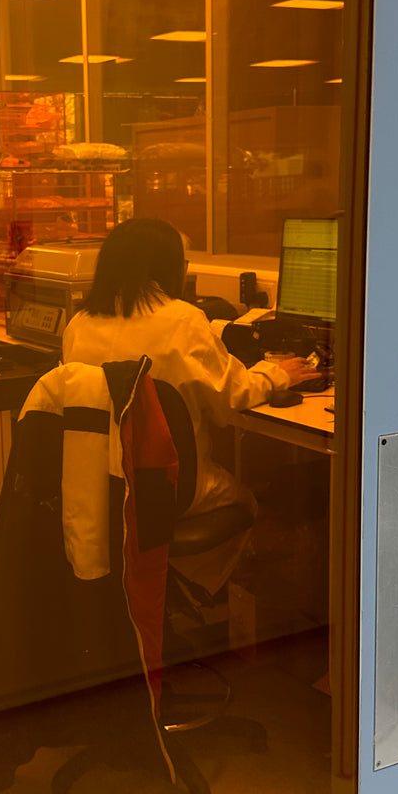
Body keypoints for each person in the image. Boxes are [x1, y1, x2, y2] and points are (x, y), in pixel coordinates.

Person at [62, 218, 317, 591]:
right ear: (167, 267)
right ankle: (216, 594)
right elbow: (231, 397)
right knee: (252, 496)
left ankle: (166, 590)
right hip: (174, 494)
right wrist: (277, 374)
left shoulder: (79, 325)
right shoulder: (182, 321)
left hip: (104, 489)